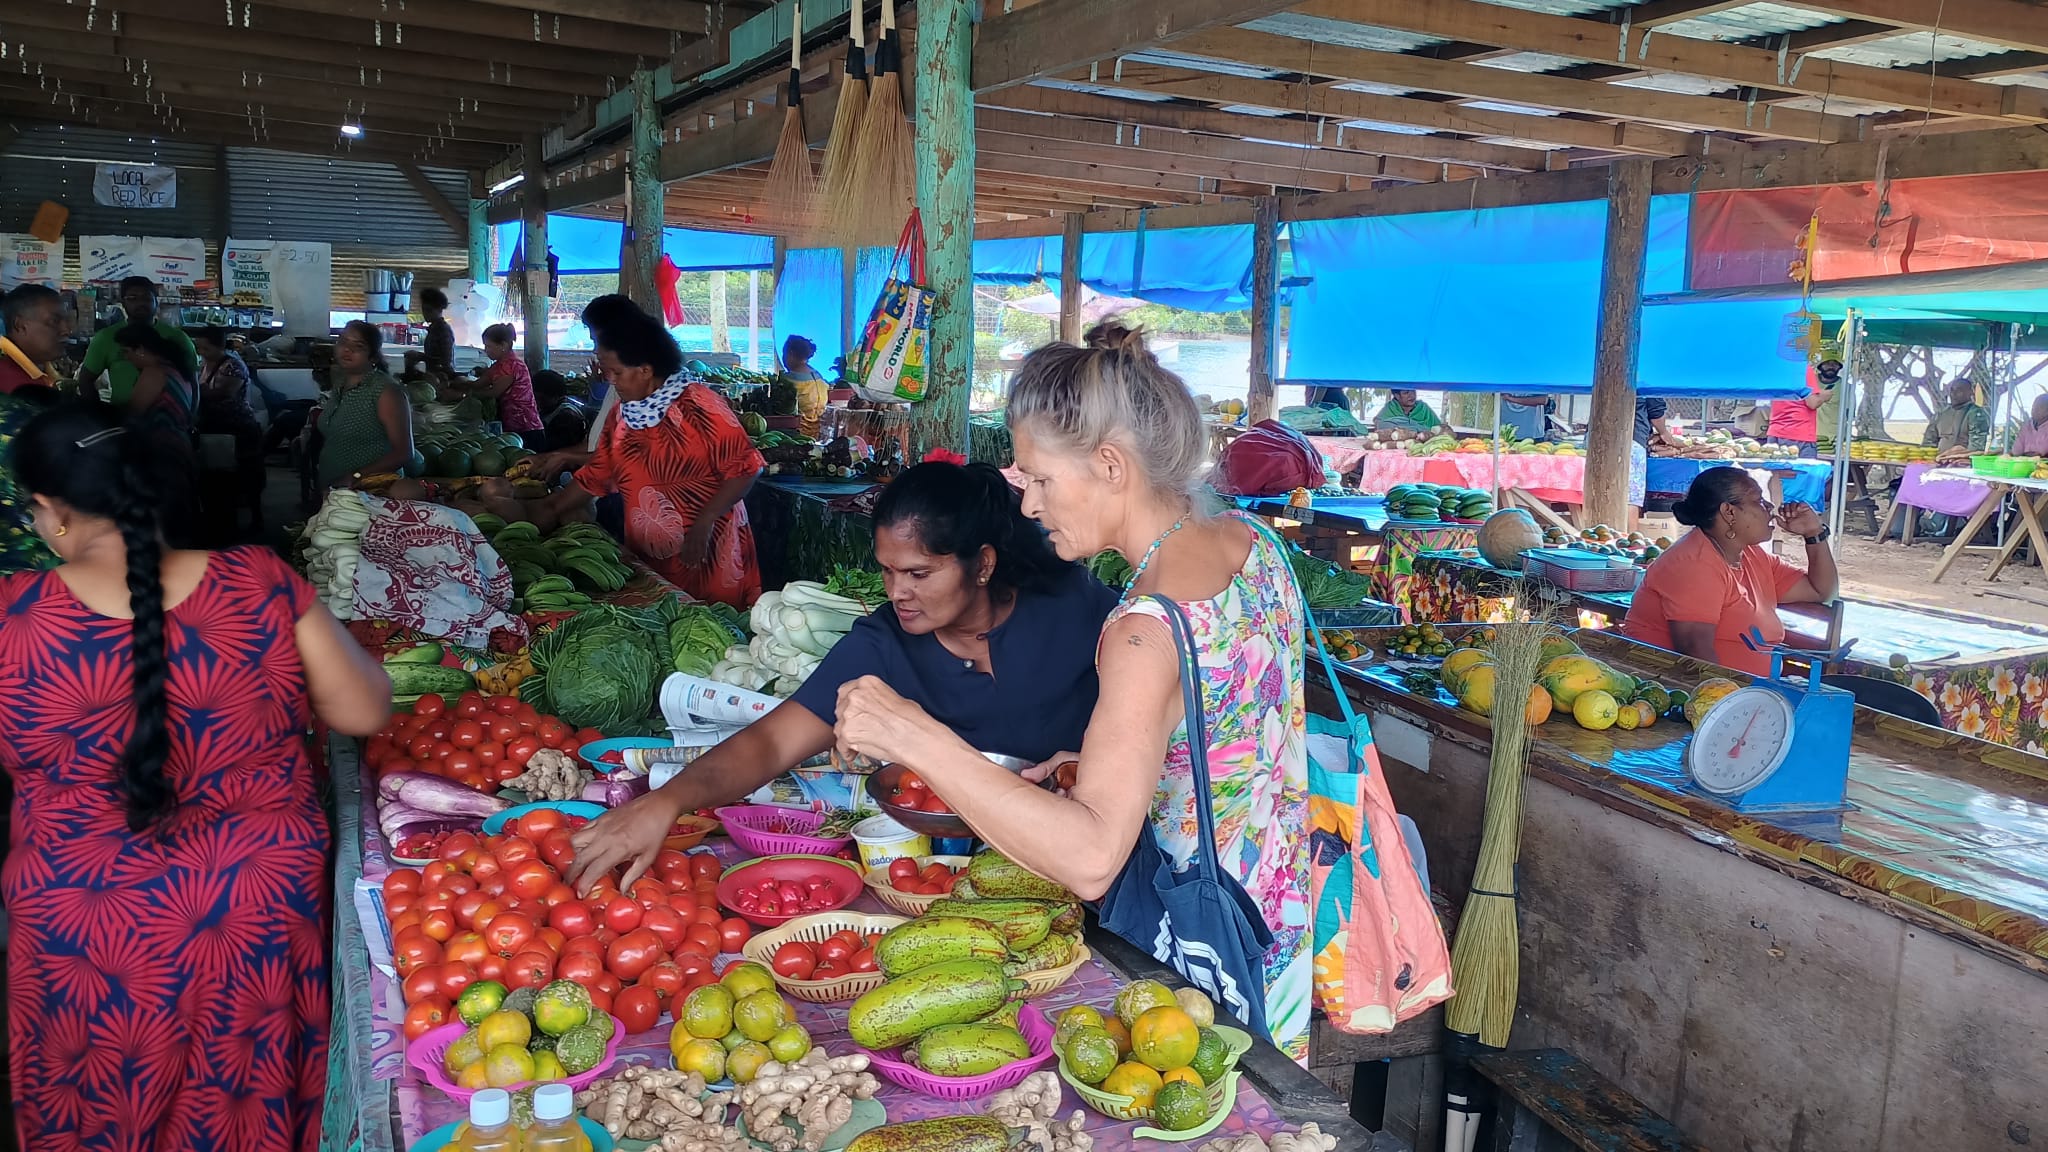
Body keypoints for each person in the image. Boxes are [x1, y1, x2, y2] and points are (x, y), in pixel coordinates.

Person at [831, 324, 1315, 1059]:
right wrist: (1109, 755)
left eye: (1041, 479)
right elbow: (1235, 724)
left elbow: (1091, 857)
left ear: (1111, 466)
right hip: (1275, 917)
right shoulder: (1255, 543)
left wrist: (913, 737)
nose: (1028, 506)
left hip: (1193, 960)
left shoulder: (1142, 630)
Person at [0, 399, 392, 1151]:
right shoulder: (258, 582)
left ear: (49, 511)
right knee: (247, 1110)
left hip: (82, 931)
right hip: (252, 915)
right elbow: (364, 709)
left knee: (98, 1115)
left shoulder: (15, 617)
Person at [566, 460, 1118, 889]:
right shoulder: (884, 643)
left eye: (919, 573)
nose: (897, 591)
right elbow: (768, 743)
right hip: (970, 873)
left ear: (984, 564)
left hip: (1102, 852)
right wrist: (663, 802)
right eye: (886, 570)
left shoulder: (1070, 604)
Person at [468, 296, 763, 607]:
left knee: (717, 635)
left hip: (708, 551)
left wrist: (705, 520)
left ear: (646, 370)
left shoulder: (698, 404)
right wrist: (523, 515)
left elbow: (747, 468)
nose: (610, 380)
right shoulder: (624, 415)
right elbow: (593, 478)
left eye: (616, 372)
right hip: (652, 557)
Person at [1620, 466, 1838, 677]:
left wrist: (1814, 533)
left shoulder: (1751, 555)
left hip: (1747, 690)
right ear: (1729, 512)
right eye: (1758, 501)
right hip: (1672, 687)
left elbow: (1821, 591)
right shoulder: (1695, 564)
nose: (1770, 507)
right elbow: (1697, 656)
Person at [315, 320, 417, 488]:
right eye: (343, 341)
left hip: (372, 491)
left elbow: (403, 453)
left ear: (373, 356)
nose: (348, 349)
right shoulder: (340, 382)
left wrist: (356, 476)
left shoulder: (386, 392)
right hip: (335, 490)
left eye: (359, 346)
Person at [77, 276, 198, 406]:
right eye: (132, 298)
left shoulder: (178, 338)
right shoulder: (106, 338)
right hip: (121, 421)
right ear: (122, 303)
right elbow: (85, 380)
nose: (140, 303)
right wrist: (99, 417)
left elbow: (193, 383)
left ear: (156, 302)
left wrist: (191, 417)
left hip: (171, 421)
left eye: (146, 298)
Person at [461, 323, 545, 450]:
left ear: (503, 346)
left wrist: (464, 394)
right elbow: (478, 384)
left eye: (489, 346)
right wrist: (459, 382)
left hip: (526, 428)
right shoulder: (498, 366)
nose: (485, 350)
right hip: (512, 427)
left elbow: (494, 392)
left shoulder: (511, 365)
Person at [0, 283, 67, 393]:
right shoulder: (11, 386)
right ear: (20, 325)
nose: (66, 330)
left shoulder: (41, 368)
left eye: (67, 320)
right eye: (54, 321)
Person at [1632, 396, 1686, 523]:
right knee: (1631, 498)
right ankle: (1627, 538)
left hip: (1596, 438)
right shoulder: (1647, 380)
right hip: (1632, 438)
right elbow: (1655, 409)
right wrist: (1663, 432)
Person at [1766, 359, 1835, 458]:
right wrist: (1823, 396)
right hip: (1799, 434)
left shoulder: (1776, 370)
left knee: (1778, 472)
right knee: (1802, 472)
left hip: (1775, 432)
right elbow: (1812, 402)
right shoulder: (1803, 370)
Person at [1925, 377, 1992, 462]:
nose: (1954, 394)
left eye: (1959, 391)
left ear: (1970, 393)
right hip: (1936, 462)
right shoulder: (1941, 414)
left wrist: (1954, 456)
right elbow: (1928, 443)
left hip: (1960, 463)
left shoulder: (1975, 414)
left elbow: (1976, 449)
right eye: (1952, 390)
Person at [780, 335, 829, 439]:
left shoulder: (787, 381)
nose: (783, 358)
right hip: (818, 434)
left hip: (796, 436)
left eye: (784, 354)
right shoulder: (819, 378)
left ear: (791, 354)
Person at [404, 286, 456, 377]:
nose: (425, 314)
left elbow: (445, 361)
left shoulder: (443, 330)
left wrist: (420, 356)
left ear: (439, 310)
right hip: (432, 374)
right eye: (424, 310)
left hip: (442, 377)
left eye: (429, 310)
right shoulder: (433, 328)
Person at [1373, 388, 1448, 437]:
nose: (1411, 395)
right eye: (1406, 393)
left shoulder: (1423, 408)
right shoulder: (1390, 408)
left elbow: (1439, 428)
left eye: (1413, 391)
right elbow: (1379, 426)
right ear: (1397, 396)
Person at [1809, 358, 1845, 446]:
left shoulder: (1846, 388)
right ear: (1820, 366)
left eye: (1835, 364)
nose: (1831, 367)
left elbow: (1848, 415)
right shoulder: (1809, 382)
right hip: (1809, 437)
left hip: (1834, 440)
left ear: (1839, 367)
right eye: (1827, 363)